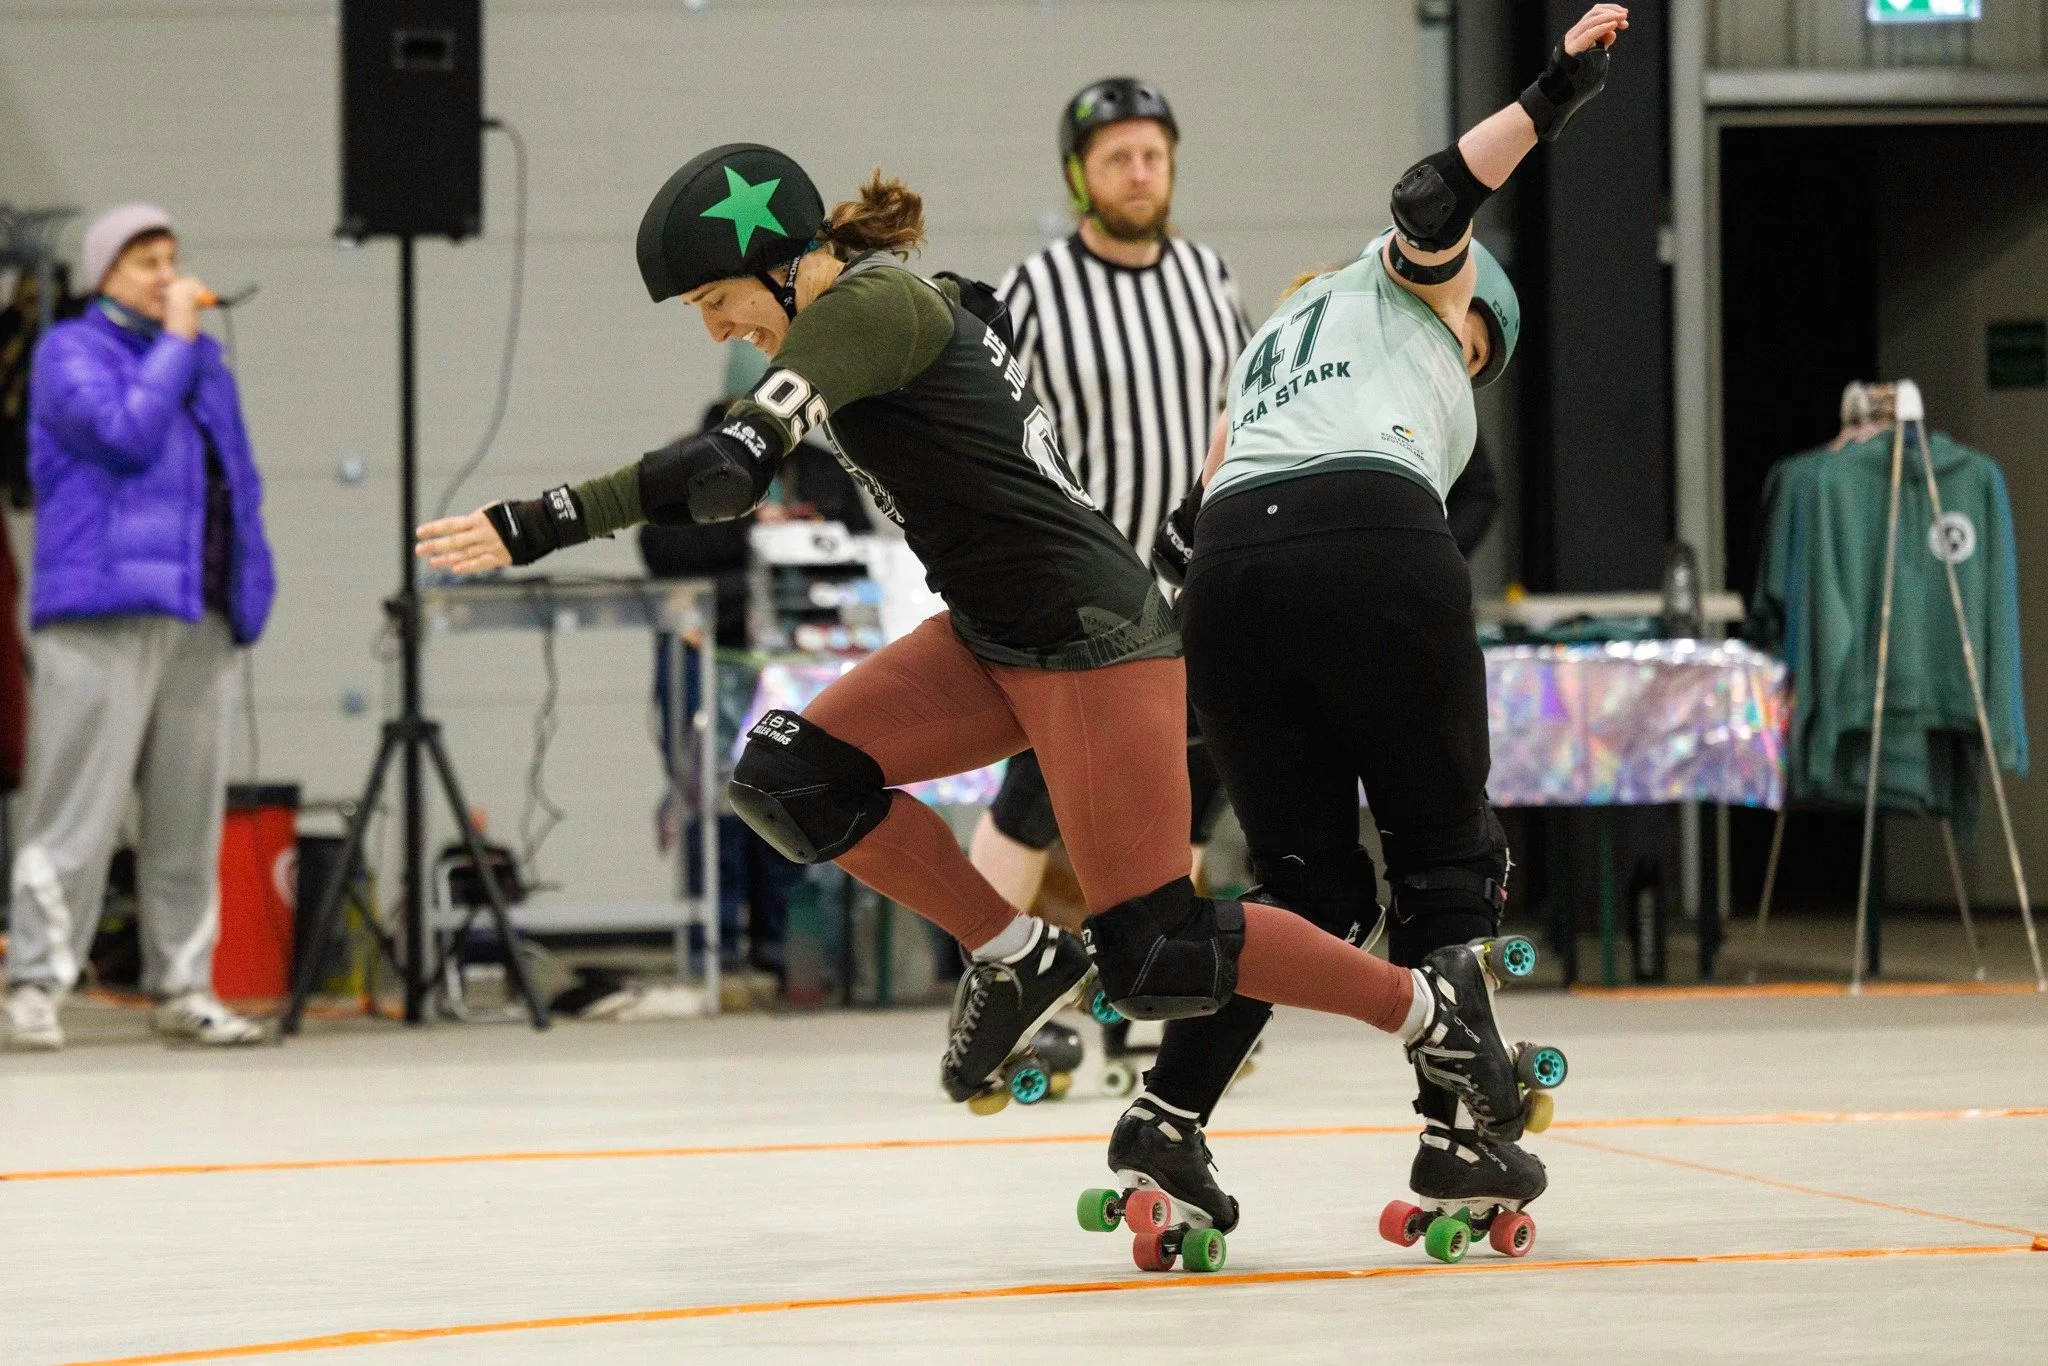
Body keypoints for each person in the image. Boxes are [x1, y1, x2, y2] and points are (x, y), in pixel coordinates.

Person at [417, 146, 1532, 1208]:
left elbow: (727, 470)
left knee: (1156, 951)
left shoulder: (865, 305)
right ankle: (1012, 953)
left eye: (718, 299)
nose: (716, 328)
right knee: (791, 776)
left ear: (782, 261)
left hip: (1090, 635)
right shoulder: (877, 308)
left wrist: (536, 522)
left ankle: (1425, 1010)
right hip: (997, 635)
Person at [1142, 5, 1626, 1246]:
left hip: (1230, 575)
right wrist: (1551, 95)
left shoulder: (1265, 347)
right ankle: (1461, 1134)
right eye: (1479, 352)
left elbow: (1185, 530)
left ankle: (1165, 1116)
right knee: (1446, 858)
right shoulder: (1413, 291)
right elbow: (1426, 201)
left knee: (1304, 885)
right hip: (1368, 533)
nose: (1469, 372)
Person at [976, 77, 1248, 1083]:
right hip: (1084, 593)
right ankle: (991, 996)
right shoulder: (1035, 289)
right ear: (1078, 176)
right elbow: (989, 429)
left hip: (1198, 591)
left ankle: (1144, 1002)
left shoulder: (1209, 277)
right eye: (1116, 159)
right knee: (1032, 800)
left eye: (1152, 156)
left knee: (1179, 803)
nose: (1138, 174)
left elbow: (1244, 410)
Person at [3, 203, 277, 1050]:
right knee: (75, 811)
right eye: (145, 262)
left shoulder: (202, 365)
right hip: (103, 611)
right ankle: (36, 982)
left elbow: (237, 482)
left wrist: (251, 587)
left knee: (187, 819)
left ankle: (184, 984)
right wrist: (179, 339)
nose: (167, 276)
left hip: (200, 612)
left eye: (171, 258)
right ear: (103, 276)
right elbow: (124, 433)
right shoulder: (70, 352)